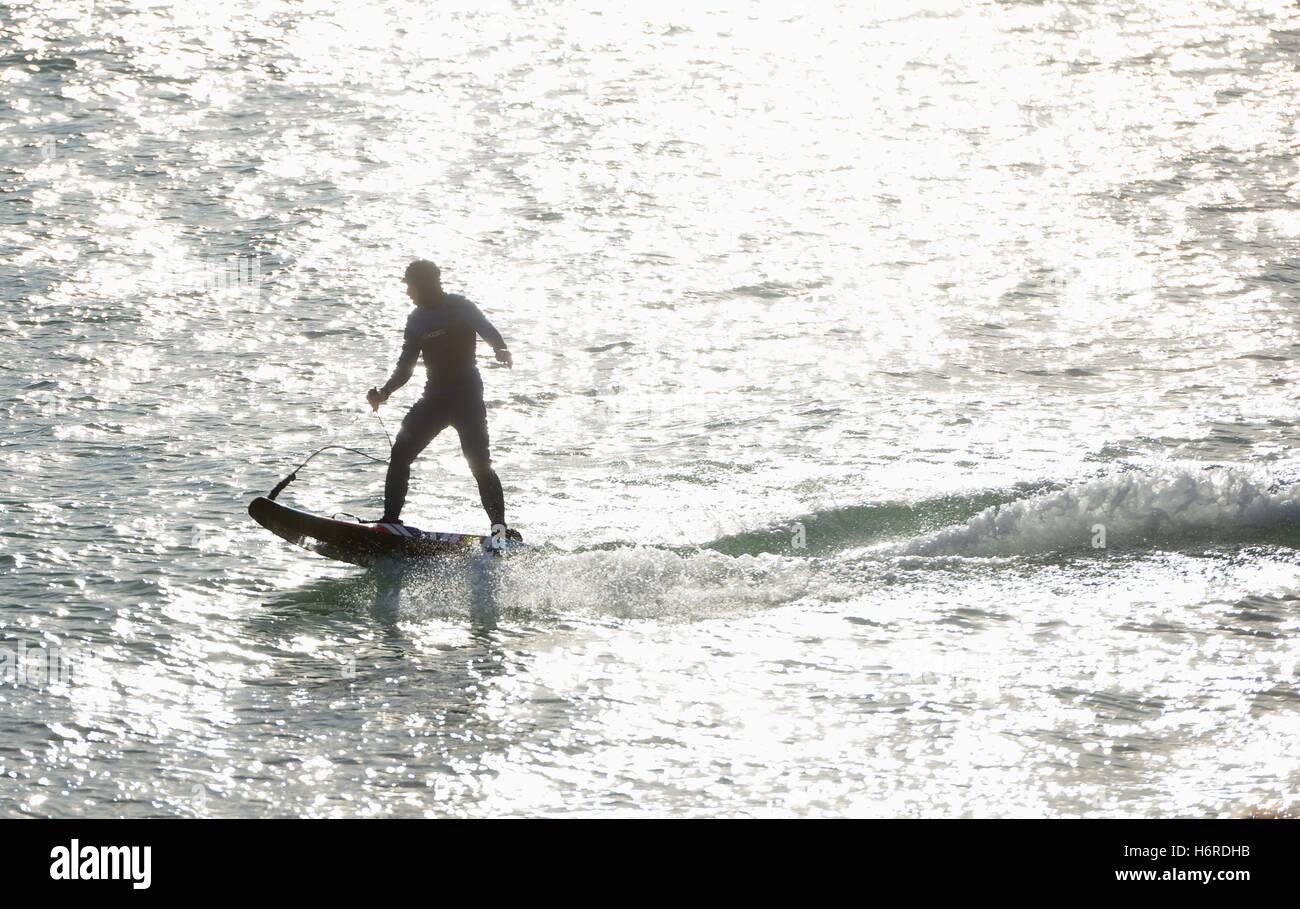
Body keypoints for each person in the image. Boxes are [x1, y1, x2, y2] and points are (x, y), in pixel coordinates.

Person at [366, 260, 521, 541]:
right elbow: (405, 366)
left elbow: (485, 328)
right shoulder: (416, 321)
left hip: (467, 399)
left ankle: (500, 531)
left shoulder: (459, 306)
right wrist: (384, 393)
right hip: (434, 400)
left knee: (480, 464)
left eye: (410, 286)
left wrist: (500, 348)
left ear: (424, 284)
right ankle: (390, 523)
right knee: (401, 453)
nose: (407, 292)